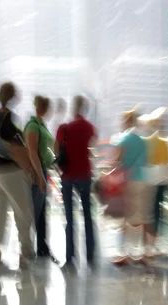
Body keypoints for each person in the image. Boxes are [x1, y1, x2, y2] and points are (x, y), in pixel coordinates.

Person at [0, 82, 37, 270]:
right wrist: (28, 171)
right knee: (23, 213)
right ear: (13, 97)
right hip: (12, 172)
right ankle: (25, 254)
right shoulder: (8, 118)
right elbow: (17, 149)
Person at [55, 96, 96, 267]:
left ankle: (70, 257)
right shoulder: (89, 127)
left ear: (74, 108)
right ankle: (90, 255)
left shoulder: (64, 129)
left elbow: (57, 151)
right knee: (87, 215)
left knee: (70, 218)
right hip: (85, 175)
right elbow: (88, 147)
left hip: (68, 176)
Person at [112, 108, 151, 266]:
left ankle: (124, 254)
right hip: (142, 180)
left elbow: (117, 162)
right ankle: (142, 253)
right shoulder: (142, 140)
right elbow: (146, 161)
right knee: (140, 218)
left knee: (124, 219)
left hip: (127, 181)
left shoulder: (124, 139)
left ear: (127, 121)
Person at [25, 96, 56, 260]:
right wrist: (40, 177)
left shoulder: (41, 125)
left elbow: (45, 150)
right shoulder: (33, 126)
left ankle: (42, 247)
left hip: (43, 170)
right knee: (34, 211)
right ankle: (28, 247)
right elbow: (32, 152)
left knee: (42, 211)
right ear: (43, 108)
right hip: (37, 173)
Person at [144, 107, 168, 256]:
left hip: (150, 180)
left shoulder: (149, 140)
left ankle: (150, 245)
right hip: (161, 180)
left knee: (151, 213)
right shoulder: (162, 141)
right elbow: (167, 160)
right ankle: (153, 245)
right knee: (158, 214)